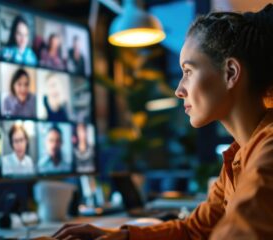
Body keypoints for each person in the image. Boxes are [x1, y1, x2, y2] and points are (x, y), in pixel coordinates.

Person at [51, 4, 273, 240]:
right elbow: (193, 230)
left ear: (230, 72)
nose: (179, 90)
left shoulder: (267, 154)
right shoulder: (239, 155)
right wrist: (121, 236)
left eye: (188, 71)